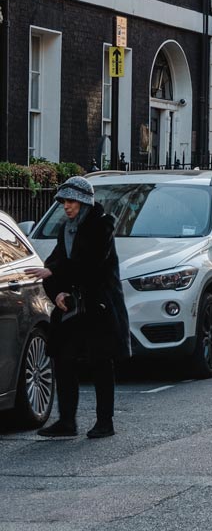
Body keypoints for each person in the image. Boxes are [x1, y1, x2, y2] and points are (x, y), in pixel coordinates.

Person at [25, 176, 130, 438]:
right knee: (63, 358)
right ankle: (67, 421)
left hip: (99, 304)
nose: (66, 207)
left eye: (70, 201)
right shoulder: (67, 229)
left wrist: (53, 272)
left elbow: (90, 266)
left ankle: (105, 422)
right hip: (73, 305)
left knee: (100, 361)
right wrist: (57, 291)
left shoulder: (101, 227)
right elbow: (56, 261)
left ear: (83, 202)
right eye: (63, 202)